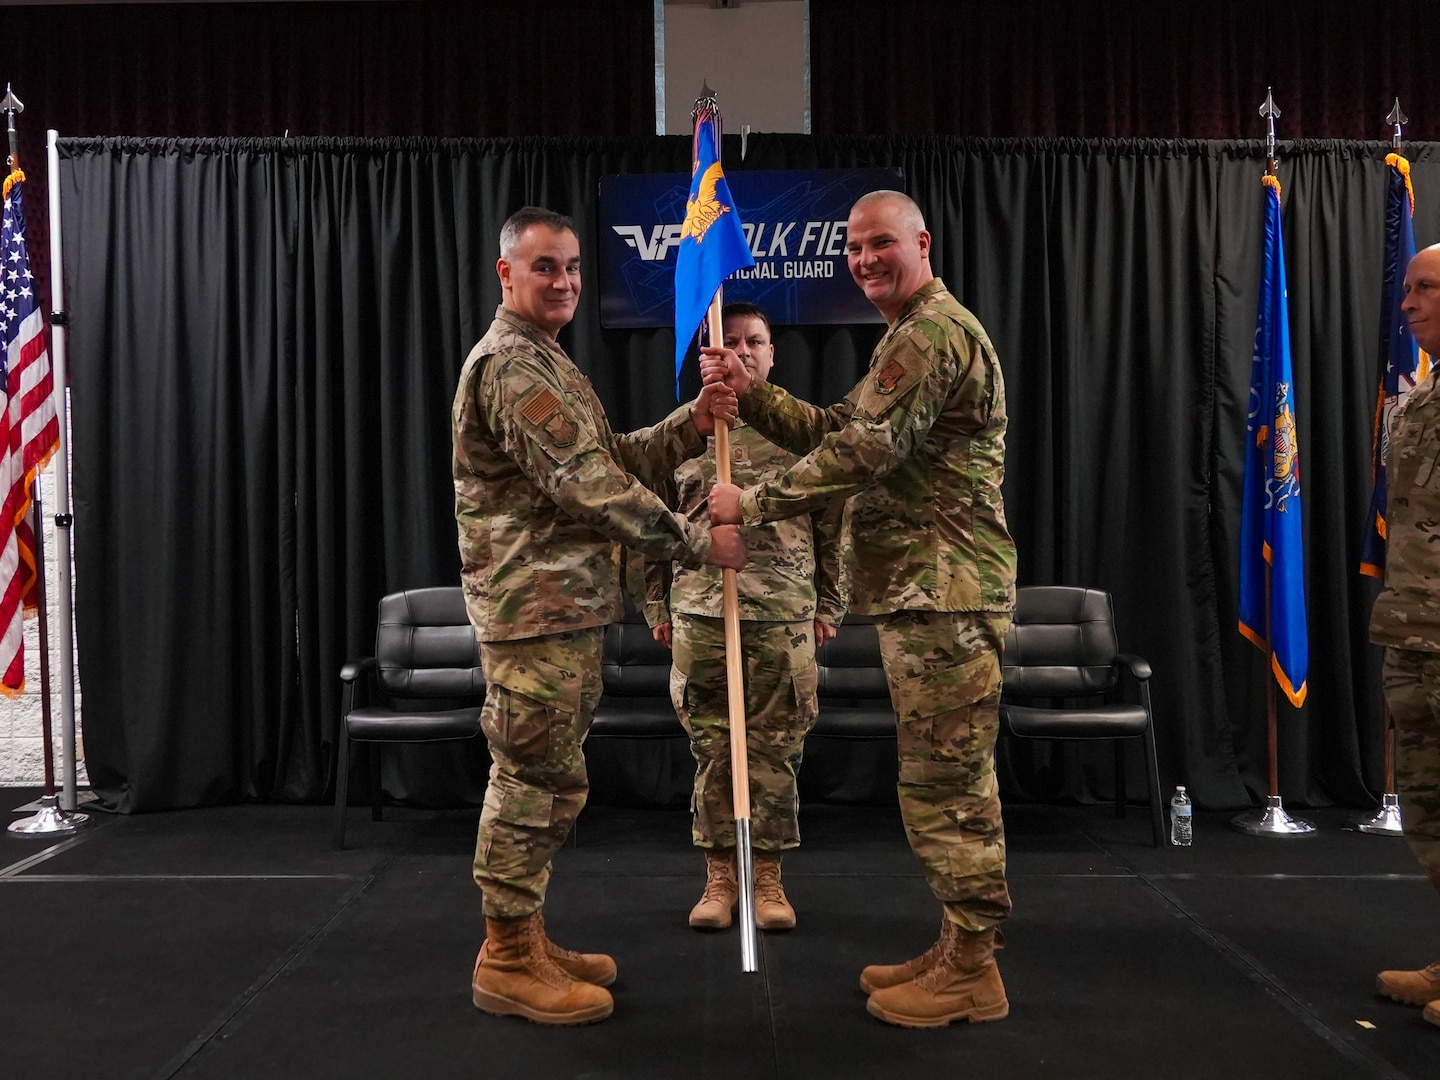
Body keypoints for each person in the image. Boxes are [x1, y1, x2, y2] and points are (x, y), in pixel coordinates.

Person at [702, 190, 1016, 1028]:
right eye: (853, 248)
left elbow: (863, 449)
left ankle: (974, 970)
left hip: (946, 590)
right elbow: (841, 424)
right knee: (937, 776)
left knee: (947, 784)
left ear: (921, 241)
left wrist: (753, 503)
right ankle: (958, 946)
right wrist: (752, 390)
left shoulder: (931, 335)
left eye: (882, 244)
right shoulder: (908, 336)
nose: (866, 260)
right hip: (930, 590)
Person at [454, 206, 745, 1026]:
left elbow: (608, 458)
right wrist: (694, 542)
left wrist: (690, 425)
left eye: (574, 266)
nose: (565, 282)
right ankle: (506, 958)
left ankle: (525, 936)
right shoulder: (511, 366)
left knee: (551, 779)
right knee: (531, 780)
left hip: (562, 610)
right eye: (545, 266)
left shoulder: (545, 362)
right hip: (534, 614)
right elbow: (588, 486)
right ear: (506, 272)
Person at [645, 302, 848, 933]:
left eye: (753, 342)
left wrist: (830, 604)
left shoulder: (802, 437)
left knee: (776, 751)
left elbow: (835, 521)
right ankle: (718, 877)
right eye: (727, 340)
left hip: (784, 614)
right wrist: (658, 606)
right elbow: (648, 527)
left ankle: (768, 877)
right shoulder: (685, 435)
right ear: (708, 352)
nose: (741, 351)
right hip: (702, 613)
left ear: (771, 354)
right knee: (712, 749)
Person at [1371, 241, 1440, 1028]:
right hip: (1415, 634)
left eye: (1426, 289)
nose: (1408, 303)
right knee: (1428, 813)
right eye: (1408, 289)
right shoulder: (1419, 401)